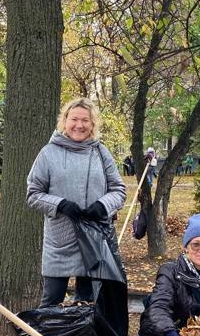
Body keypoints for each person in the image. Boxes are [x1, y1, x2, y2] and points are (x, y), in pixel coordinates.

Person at [26, 97, 126, 306]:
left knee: (88, 304)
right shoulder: (48, 153)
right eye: (74, 119)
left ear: (92, 124)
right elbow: (33, 194)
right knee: (51, 301)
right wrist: (60, 205)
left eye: (85, 120)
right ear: (64, 120)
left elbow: (119, 190)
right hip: (59, 241)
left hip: (93, 240)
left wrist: (103, 205)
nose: (79, 125)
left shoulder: (101, 152)